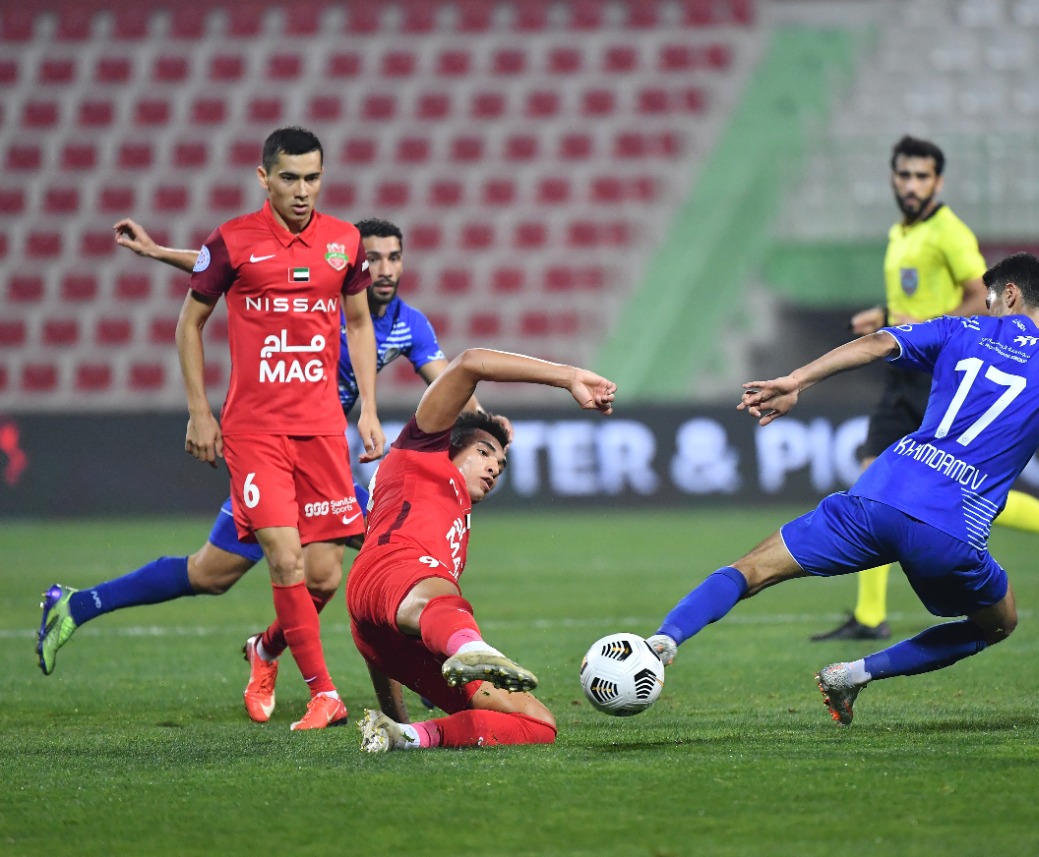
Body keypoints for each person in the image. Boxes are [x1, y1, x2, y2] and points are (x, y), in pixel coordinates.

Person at [646, 253, 1039, 725]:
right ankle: (851, 675)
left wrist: (796, 379)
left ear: (1010, 294)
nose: (986, 303)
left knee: (751, 568)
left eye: (990, 295)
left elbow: (879, 343)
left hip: (879, 492)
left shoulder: (960, 331)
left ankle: (660, 643)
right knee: (997, 621)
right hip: (949, 528)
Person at [35, 216, 491, 727]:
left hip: (319, 457)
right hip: (271, 445)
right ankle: (77, 605)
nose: (384, 269)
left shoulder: (409, 323)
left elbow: (451, 385)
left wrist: (488, 424)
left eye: (394, 257)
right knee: (212, 574)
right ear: (352, 262)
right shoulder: (320, 292)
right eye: (374, 257)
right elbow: (237, 272)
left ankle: (277, 651)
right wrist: (161, 253)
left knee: (351, 565)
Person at [45, 126, 383, 732]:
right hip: (255, 435)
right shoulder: (233, 240)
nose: (302, 190)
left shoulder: (344, 243)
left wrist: (370, 411)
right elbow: (193, 317)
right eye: (289, 178)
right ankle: (324, 693)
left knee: (251, 575)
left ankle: (259, 649)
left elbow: (357, 323)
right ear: (264, 178)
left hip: (322, 435)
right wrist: (202, 411)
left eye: (312, 178)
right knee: (288, 560)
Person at [813, 135, 1039, 643]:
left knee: (942, 488)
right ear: (893, 177)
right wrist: (889, 318)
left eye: (922, 176)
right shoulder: (901, 233)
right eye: (904, 174)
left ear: (938, 181)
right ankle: (870, 615)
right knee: (877, 479)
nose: (911, 184)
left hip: (943, 373)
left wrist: (907, 323)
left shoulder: (950, 233)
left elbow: (972, 301)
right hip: (904, 374)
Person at [351, 348, 615, 752]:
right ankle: (472, 648)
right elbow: (471, 362)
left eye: (502, 463)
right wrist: (569, 376)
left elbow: (380, 618)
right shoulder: (419, 452)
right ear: (450, 445)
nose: (495, 467)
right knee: (442, 593)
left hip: (393, 627)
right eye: (484, 452)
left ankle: (406, 737)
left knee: (537, 724)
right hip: (399, 579)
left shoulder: (454, 524)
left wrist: (394, 713)